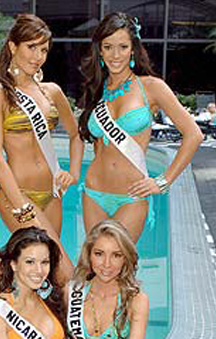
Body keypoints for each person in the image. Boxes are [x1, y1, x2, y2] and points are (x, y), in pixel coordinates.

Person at [78, 12, 203, 241]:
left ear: (133, 49)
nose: (116, 55)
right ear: (100, 51)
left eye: (123, 47)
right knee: (95, 261)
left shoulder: (152, 87)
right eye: (108, 47)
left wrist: (163, 181)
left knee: (121, 260)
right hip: (93, 192)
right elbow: (98, 145)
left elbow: (194, 135)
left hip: (132, 196)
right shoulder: (96, 89)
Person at [0, 14, 82, 283]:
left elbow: (76, 135)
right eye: (31, 47)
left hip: (52, 194)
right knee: (64, 271)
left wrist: (73, 173)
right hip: (18, 196)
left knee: (49, 276)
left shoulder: (52, 91)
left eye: (44, 50)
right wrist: (20, 205)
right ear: (13, 46)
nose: (38, 56)